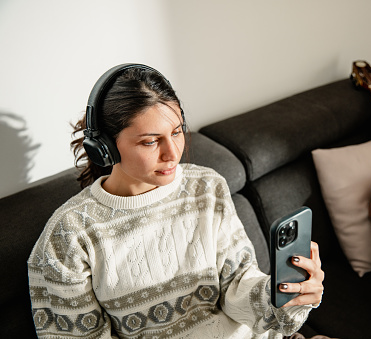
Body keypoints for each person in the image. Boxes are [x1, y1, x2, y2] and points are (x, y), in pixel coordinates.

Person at [27, 64, 325, 338]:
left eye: (177, 131)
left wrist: (281, 295)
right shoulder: (70, 236)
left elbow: (237, 285)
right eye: (150, 141)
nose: (173, 153)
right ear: (104, 147)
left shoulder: (207, 187)